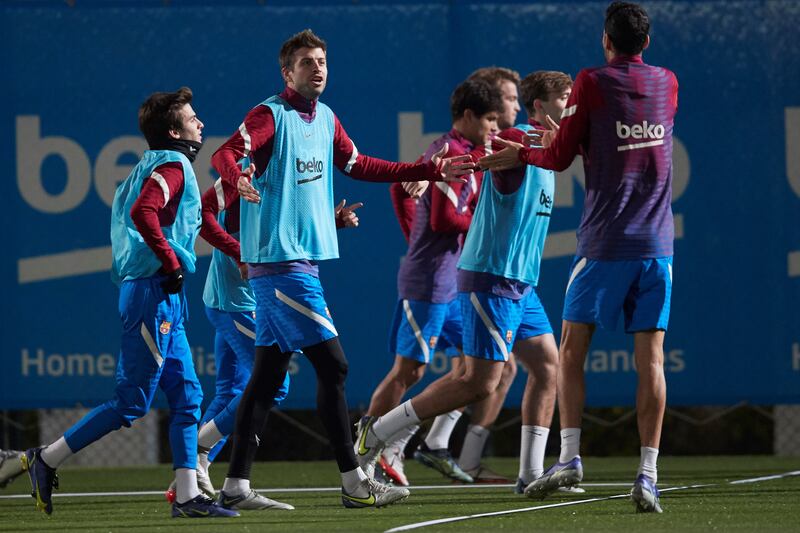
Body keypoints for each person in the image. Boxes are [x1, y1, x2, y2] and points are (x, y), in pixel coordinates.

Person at [211, 29, 472, 510]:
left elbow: (359, 163)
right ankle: (355, 483)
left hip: (299, 266)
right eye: (306, 62)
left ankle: (234, 485)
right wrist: (239, 175)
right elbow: (225, 153)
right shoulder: (270, 114)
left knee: (266, 379)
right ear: (287, 72)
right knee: (334, 367)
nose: (317, 68)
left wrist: (429, 171)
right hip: (280, 267)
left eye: (322, 60)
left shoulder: (326, 118)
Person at [480, 1, 678, 513]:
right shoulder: (667, 83)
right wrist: (574, 141)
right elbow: (614, 145)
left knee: (569, 350)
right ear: (647, 43)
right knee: (651, 360)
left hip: (606, 242)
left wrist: (525, 151)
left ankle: (569, 456)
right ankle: (648, 474)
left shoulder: (591, 80)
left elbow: (560, 156)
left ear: (606, 41)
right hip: (657, 246)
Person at [22, 87, 238, 518]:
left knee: (189, 398)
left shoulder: (154, 163)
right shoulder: (174, 164)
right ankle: (44, 459)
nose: (201, 124)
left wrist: (237, 251)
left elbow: (190, 225)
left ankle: (189, 496)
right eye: (193, 118)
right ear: (175, 130)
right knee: (132, 404)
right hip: (153, 293)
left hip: (160, 294)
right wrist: (170, 261)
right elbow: (145, 212)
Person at [367, 78, 503, 486]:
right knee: (407, 373)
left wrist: (417, 237)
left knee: (481, 369)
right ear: (466, 117)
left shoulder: (473, 155)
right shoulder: (448, 152)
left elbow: (404, 191)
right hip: (428, 283)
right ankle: (362, 457)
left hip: (452, 283)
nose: (496, 127)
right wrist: (481, 223)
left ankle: (419, 443)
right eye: (490, 118)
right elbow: (443, 217)